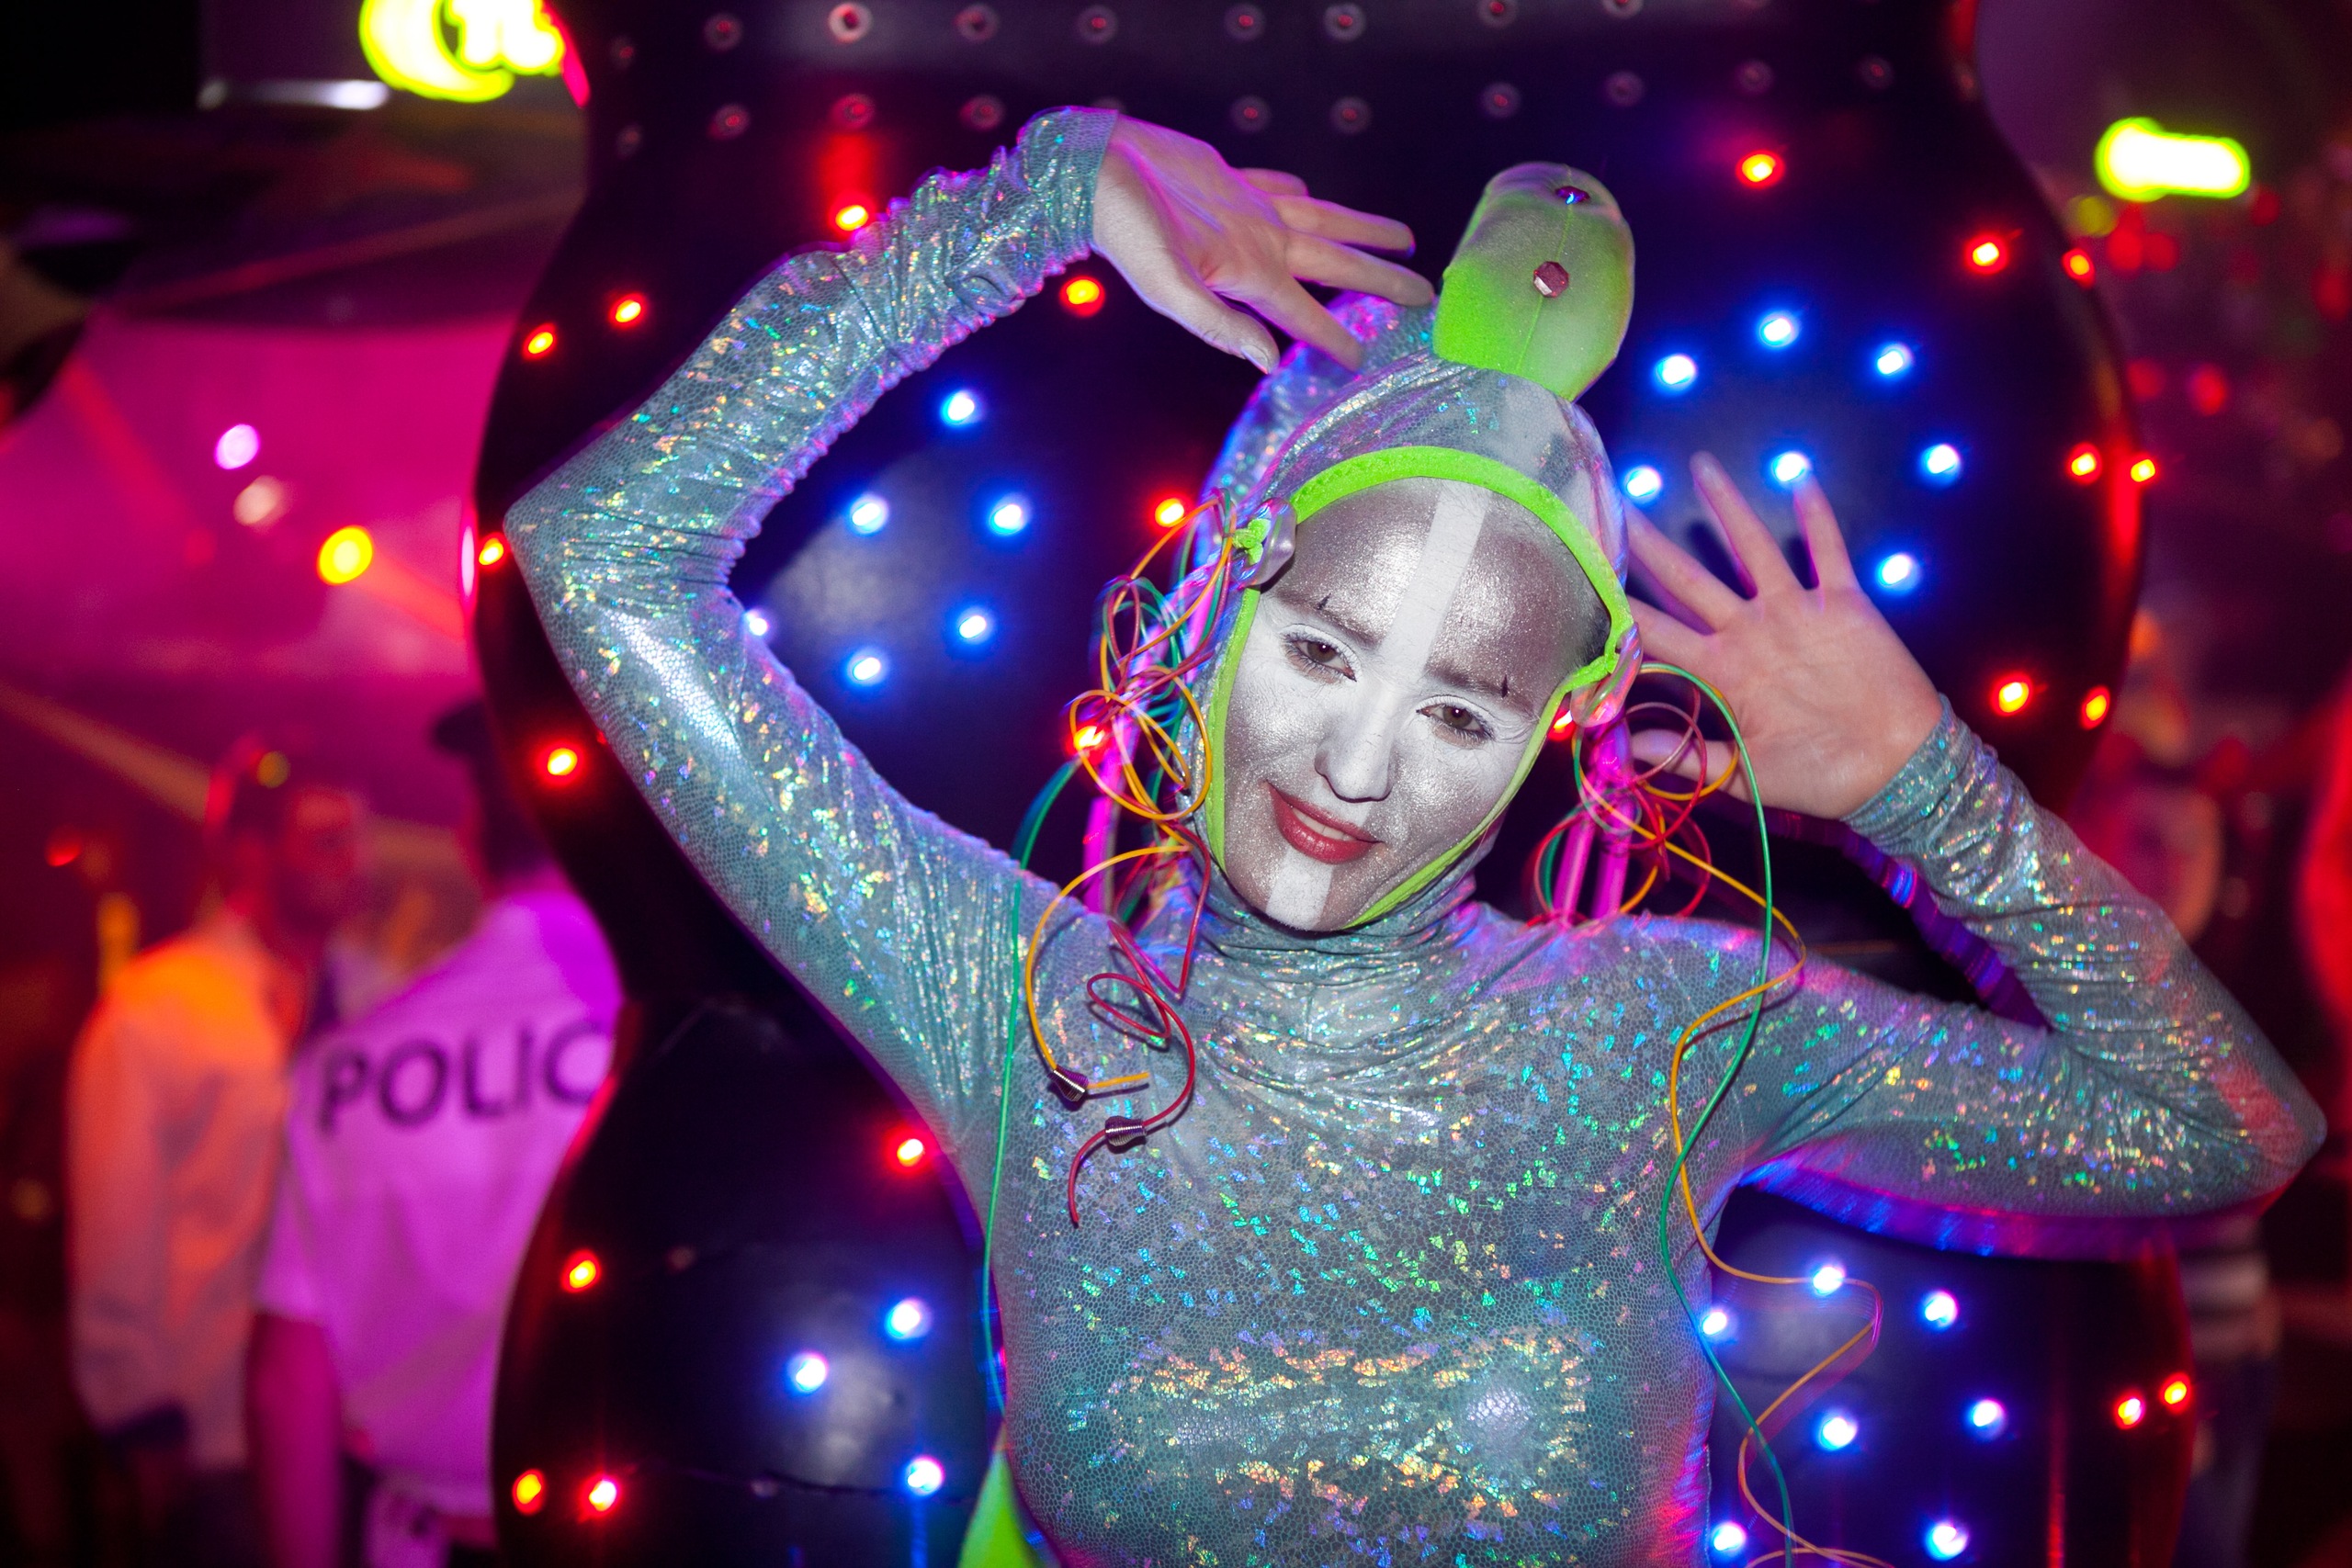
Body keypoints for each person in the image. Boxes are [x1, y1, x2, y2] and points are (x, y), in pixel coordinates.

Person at [504, 110, 2324, 1564]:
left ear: (1545, 743)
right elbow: (598, 551)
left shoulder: (1657, 1029)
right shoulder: (1022, 1006)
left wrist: (1928, 788)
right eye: (1320, 651)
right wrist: (1030, 205)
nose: (1359, 765)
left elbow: (2226, 1132)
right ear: (1208, 622)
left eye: (1459, 710)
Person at [245, 700, 618, 1568]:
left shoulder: (345, 1065)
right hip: (627, 1533)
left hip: (424, 1539)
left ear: (469, 838)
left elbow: (288, 1381)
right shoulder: (667, 1030)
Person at [66, 740, 365, 1567]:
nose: (354, 862)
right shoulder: (161, 1007)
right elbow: (117, 1221)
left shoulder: (383, 990)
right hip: (219, 1431)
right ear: (251, 852)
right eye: (326, 839)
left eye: (357, 838)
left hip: (366, 1427)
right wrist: (139, 1412)